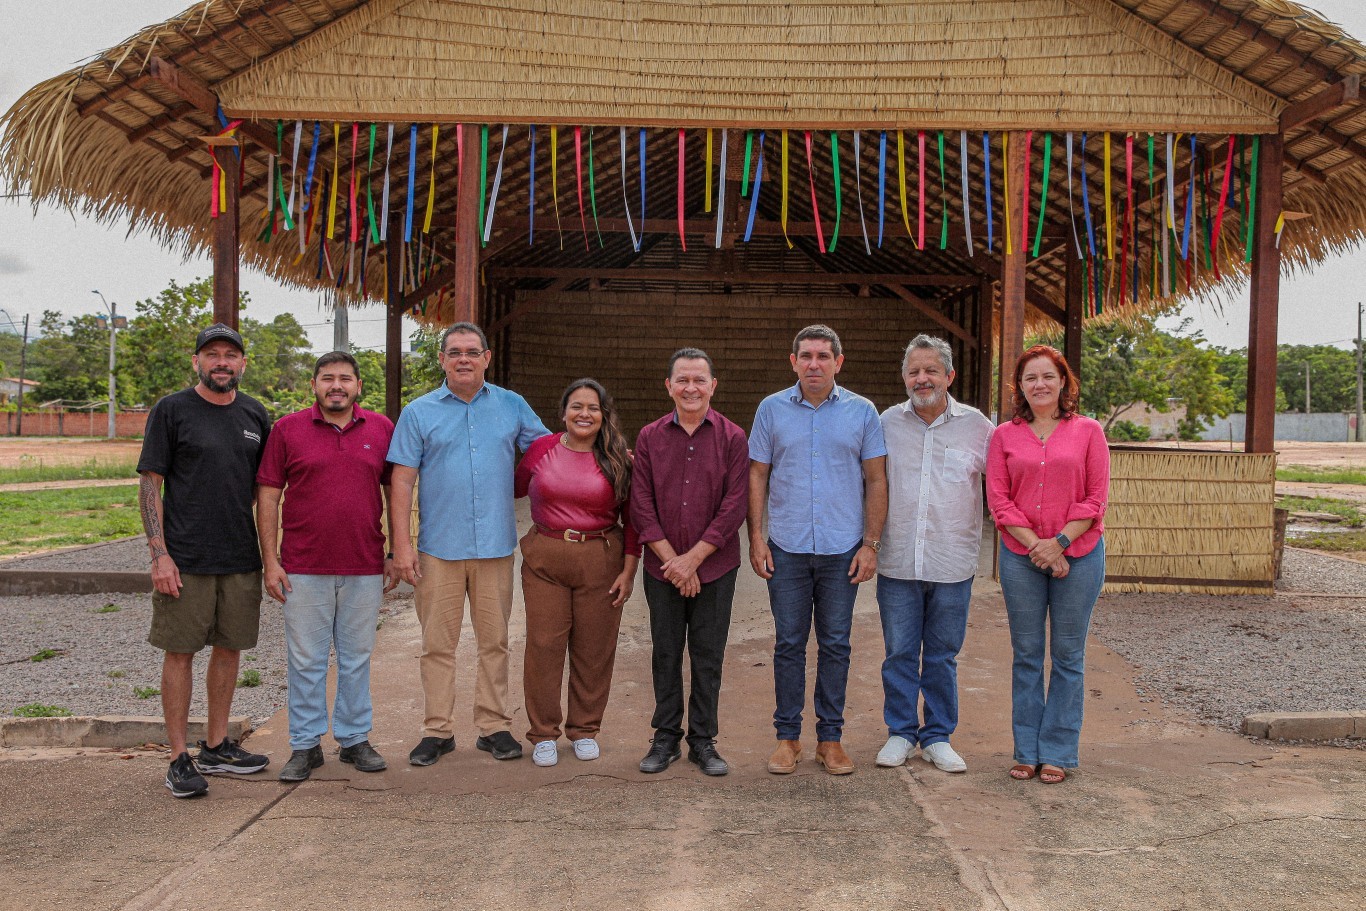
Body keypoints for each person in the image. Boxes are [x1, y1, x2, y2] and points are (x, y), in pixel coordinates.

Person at [386, 322, 548, 766]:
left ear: (486, 358)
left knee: (495, 642)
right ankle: (437, 730)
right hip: (439, 549)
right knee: (437, 644)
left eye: (472, 351)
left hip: (495, 546)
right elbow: (401, 481)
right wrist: (402, 547)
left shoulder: (512, 406)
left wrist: (606, 453)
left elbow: (550, 452)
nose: (463, 359)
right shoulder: (419, 413)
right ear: (441, 359)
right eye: (454, 351)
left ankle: (494, 726)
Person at [137, 323, 272, 798]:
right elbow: (150, 482)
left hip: (239, 557)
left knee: (230, 648)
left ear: (242, 364)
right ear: (196, 361)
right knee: (180, 652)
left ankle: (216, 745)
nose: (221, 362)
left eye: (229, 355)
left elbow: (265, 492)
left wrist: (270, 556)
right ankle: (178, 757)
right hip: (185, 558)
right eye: (211, 354)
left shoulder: (256, 414)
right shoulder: (172, 410)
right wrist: (160, 555)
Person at [748, 325, 888, 776]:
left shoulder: (862, 412)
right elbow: (757, 477)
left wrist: (870, 545)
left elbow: (876, 480)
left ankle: (830, 739)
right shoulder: (771, 410)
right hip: (786, 547)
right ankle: (787, 738)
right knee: (788, 643)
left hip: (841, 549)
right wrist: (755, 538)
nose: (814, 364)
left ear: (838, 362)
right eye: (806, 356)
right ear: (793, 362)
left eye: (823, 356)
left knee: (835, 644)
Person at [255, 351, 398, 782]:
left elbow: (397, 492)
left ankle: (354, 739)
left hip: (364, 564)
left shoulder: (382, 429)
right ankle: (305, 744)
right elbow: (267, 495)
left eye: (345, 379)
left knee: (356, 657)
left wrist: (396, 553)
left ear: (358, 386)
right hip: (302, 565)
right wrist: (271, 562)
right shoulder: (287, 430)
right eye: (327, 378)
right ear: (313, 385)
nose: (337, 386)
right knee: (306, 660)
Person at [986, 345, 1109, 785]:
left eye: (1048, 377)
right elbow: (999, 501)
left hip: (1078, 553)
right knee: (1027, 655)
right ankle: (1026, 750)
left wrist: (1057, 544)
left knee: (1068, 655)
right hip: (1022, 558)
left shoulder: (1089, 432)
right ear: (1019, 386)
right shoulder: (1003, 436)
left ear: (1063, 382)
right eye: (1030, 378)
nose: (1039, 385)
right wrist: (1037, 546)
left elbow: (1095, 500)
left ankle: (1058, 751)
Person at [875, 335, 993, 774]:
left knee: (942, 654)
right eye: (913, 371)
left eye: (930, 371)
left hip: (952, 561)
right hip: (899, 559)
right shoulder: (886, 423)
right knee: (900, 652)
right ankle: (902, 732)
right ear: (904, 377)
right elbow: (870, 482)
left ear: (949, 376)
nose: (921, 379)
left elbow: (1001, 485)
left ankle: (939, 735)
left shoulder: (978, 427)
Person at [631, 348, 749, 776]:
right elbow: (641, 503)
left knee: (707, 654)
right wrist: (673, 563)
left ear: (713, 386)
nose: (691, 388)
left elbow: (735, 506)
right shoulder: (649, 437)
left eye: (699, 380)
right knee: (665, 652)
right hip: (662, 568)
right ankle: (665, 738)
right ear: (668, 386)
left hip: (715, 568)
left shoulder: (734, 438)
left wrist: (694, 560)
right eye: (682, 379)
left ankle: (703, 740)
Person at [515, 378, 640, 767]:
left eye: (593, 408)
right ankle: (543, 733)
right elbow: (515, 486)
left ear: (604, 415)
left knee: (594, 649)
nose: (584, 414)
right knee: (544, 646)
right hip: (545, 558)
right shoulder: (541, 449)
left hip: (601, 557)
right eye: (576, 406)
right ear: (563, 412)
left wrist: (629, 571)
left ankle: (585, 729)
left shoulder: (619, 458)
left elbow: (633, 520)